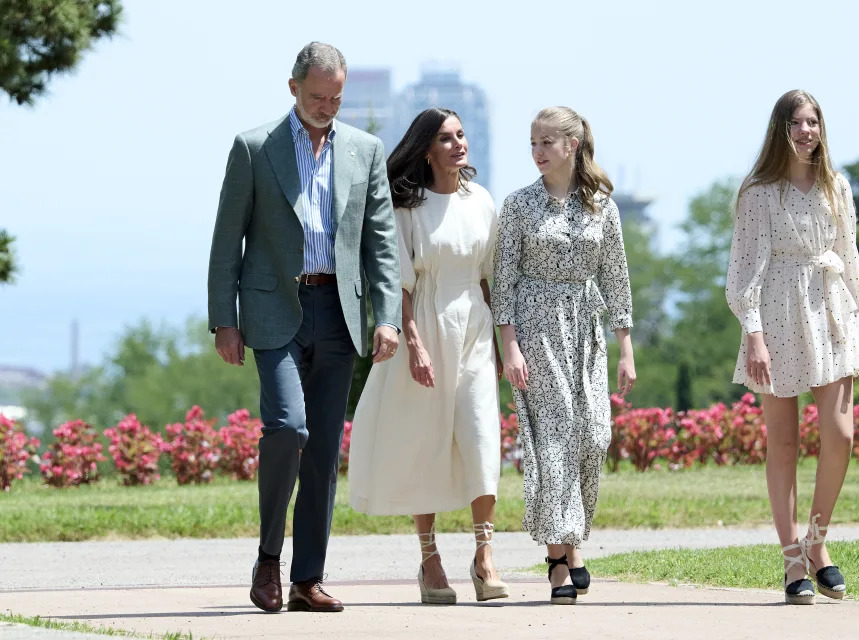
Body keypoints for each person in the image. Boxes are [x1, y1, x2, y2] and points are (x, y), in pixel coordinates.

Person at [207, 42, 401, 613]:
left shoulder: (365, 150)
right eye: (318, 96)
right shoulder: (254, 148)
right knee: (288, 429)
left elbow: (381, 243)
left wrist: (386, 317)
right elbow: (227, 241)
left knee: (322, 453)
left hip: (339, 314)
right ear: (293, 88)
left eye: (337, 97)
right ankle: (269, 560)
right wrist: (225, 319)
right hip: (272, 312)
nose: (327, 106)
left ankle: (306, 578)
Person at [348, 108, 508, 605]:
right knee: (428, 439)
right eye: (446, 137)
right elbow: (401, 286)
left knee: (482, 435)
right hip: (428, 328)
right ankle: (429, 557)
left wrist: (503, 345)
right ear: (426, 150)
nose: (459, 144)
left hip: (476, 328)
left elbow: (488, 276)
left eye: (461, 135)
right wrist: (413, 343)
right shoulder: (407, 209)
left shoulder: (481, 200)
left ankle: (485, 556)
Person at [725, 89, 859, 605]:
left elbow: (849, 258)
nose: (807, 131)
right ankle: (792, 559)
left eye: (813, 122)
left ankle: (818, 540)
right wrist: (755, 335)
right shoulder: (759, 190)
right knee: (782, 442)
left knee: (840, 433)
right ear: (780, 130)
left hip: (831, 314)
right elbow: (743, 272)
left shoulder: (837, 187)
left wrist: (856, 320)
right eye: (796, 123)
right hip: (777, 313)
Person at [492, 106, 635, 605]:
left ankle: (572, 542)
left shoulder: (602, 205)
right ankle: (558, 560)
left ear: (571, 146)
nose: (537, 152)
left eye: (546, 142)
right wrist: (509, 346)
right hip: (535, 329)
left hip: (587, 333)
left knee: (593, 436)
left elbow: (616, 277)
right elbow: (504, 283)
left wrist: (625, 350)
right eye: (532, 142)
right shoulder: (518, 205)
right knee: (553, 440)